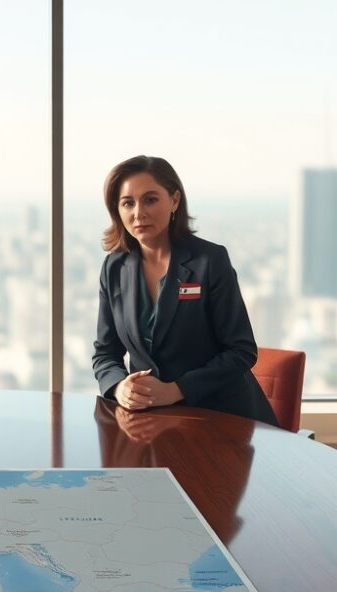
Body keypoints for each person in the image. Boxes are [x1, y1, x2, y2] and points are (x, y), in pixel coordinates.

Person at [92, 155, 278, 426]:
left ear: (174, 201)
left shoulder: (210, 260)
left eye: (151, 199)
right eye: (127, 203)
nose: (138, 212)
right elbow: (105, 353)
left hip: (220, 418)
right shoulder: (114, 267)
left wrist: (176, 389)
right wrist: (120, 387)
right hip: (147, 423)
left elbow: (241, 350)